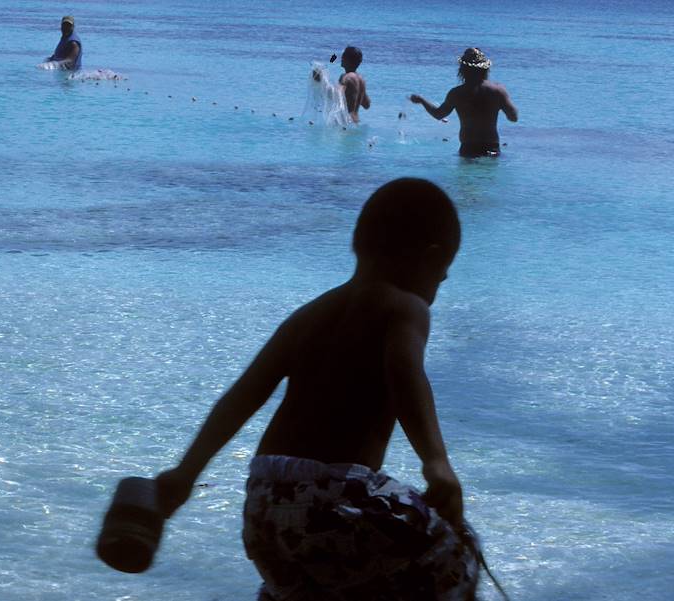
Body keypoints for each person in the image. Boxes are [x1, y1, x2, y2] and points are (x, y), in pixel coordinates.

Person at [155, 178, 482, 600]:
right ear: (429, 259)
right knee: (456, 554)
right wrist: (436, 462)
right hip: (336, 499)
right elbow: (406, 375)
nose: (436, 291)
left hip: (264, 507)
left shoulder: (308, 315)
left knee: (306, 590)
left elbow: (243, 396)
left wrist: (185, 474)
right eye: (442, 277)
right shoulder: (405, 307)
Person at [410, 48, 518, 158]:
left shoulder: (457, 93)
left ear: (463, 70)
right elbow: (513, 117)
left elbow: (439, 114)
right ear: (485, 69)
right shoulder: (498, 91)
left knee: (466, 175)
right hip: (492, 149)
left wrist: (422, 100)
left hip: (468, 149)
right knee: (488, 175)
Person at [338, 46, 371, 123]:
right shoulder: (361, 79)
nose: (341, 58)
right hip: (356, 122)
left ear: (347, 59)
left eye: (343, 56)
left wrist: (322, 81)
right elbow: (367, 105)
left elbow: (336, 94)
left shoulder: (346, 77)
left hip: (346, 122)